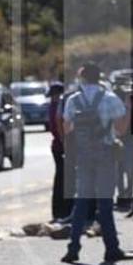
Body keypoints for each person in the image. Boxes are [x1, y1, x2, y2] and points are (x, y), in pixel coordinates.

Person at [60, 62, 133, 264]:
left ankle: (73, 248)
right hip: (105, 154)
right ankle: (112, 248)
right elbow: (120, 129)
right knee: (105, 204)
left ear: (82, 77)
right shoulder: (109, 98)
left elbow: (67, 129)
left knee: (81, 203)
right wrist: (128, 107)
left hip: (83, 155)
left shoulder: (73, 100)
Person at [47, 82, 72, 222]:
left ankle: (59, 212)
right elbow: (59, 125)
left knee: (61, 179)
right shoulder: (59, 107)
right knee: (63, 180)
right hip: (60, 145)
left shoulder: (55, 106)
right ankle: (62, 211)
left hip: (58, 145)